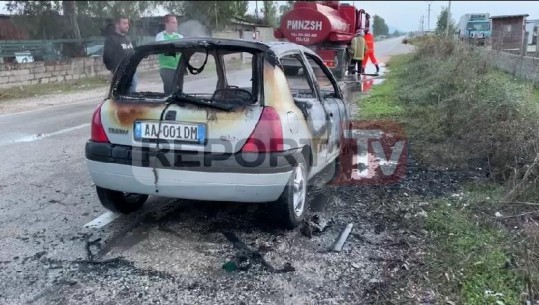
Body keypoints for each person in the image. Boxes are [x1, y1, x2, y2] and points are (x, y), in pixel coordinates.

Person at [103, 16, 136, 93]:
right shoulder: (111, 39)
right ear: (117, 25)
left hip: (131, 72)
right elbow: (106, 57)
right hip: (120, 74)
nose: (127, 25)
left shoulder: (127, 38)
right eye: (124, 23)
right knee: (122, 96)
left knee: (132, 95)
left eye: (127, 23)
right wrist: (114, 69)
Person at [155, 14, 183, 95]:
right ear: (166, 24)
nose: (175, 25)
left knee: (179, 91)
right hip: (166, 68)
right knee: (170, 91)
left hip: (178, 68)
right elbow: (162, 50)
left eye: (176, 23)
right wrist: (175, 51)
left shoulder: (180, 37)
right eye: (173, 22)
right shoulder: (160, 36)